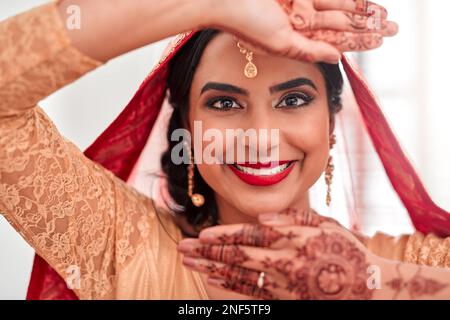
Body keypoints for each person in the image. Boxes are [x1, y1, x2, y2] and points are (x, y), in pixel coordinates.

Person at [0, 0, 448, 300]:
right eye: (224, 103)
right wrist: (215, 3)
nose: (259, 135)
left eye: (293, 100)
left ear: (331, 122)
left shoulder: (407, 264)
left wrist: (377, 285)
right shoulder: (124, 248)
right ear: (186, 129)